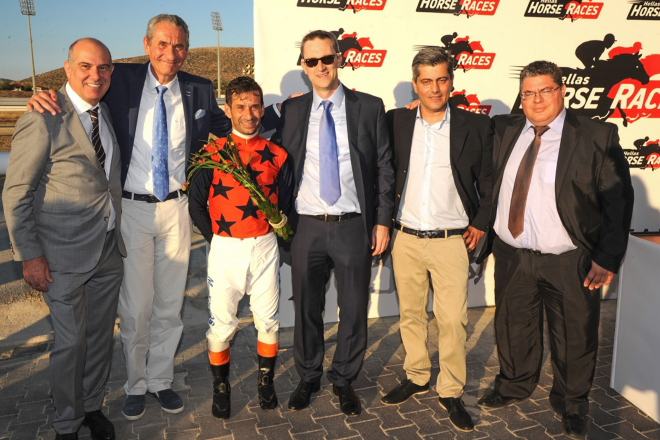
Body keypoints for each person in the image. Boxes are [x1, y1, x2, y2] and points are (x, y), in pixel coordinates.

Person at [26, 14, 286, 420]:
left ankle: (161, 379)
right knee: (135, 308)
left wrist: (292, 108)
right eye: (162, 44)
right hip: (131, 211)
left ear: (187, 49)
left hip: (176, 209)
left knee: (168, 306)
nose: (171, 53)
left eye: (179, 45)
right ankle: (135, 383)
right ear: (147, 45)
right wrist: (47, 95)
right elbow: (83, 85)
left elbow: (238, 123)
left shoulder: (199, 89)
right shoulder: (120, 80)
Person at [477, 60, 633, 439]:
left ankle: (573, 402)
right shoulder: (503, 128)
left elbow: (618, 202)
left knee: (574, 335)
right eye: (528, 93)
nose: (537, 100)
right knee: (513, 326)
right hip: (513, 254)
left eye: (545, 90)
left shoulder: (596, 135)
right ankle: (514, 383)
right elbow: (458, 131)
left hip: (569, 259)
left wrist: (607, 257)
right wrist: (418, 109)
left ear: (562, 90)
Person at [3, 38, 125, 440]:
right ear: (67, 68)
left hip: (107, 249)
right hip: (61, 257)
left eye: (103, 67)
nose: (95, 75)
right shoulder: (44, 116)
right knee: (71, 345)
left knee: (99, 339)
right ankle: (67, 424)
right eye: (85, 66)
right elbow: (16, 192)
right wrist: (30, 255)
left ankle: (91, 407)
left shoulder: (103, 111)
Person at [270, 30, 395, 416]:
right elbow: (275, 159)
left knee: (354, 309)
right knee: (306, 307)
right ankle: (308, 375)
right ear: (303, 66)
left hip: (353, 225)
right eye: (312, 61)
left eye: (327, 58)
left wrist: (383, 221)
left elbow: (385, 166)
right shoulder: (292, 110)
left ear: (339, 59)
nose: (321, 66)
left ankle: (344, 379)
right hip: (306, 226)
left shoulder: (369, 106)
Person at [380, 47, 492, 432]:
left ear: (451, 82)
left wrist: (481, 221)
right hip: (406, 237)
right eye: (426, 81)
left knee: (453, 320)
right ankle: (417, 375)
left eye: (441, 79)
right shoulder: (395, 121)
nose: (434, 88)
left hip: (452, 240)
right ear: (415, 84)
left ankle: (451, 389)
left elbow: (490, 179)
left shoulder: (475, 126)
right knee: (411, 314)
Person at [188, 76, 293, 419]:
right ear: (228, 110)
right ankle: (221, 386)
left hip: (264, 248)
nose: (249, 114)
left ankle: (265, 382)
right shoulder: (212, 153)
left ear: (263, 109)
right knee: (222, 324)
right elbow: (196, 205)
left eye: (255, 106)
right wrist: (219, 239)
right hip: (225, 250)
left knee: (268, 320)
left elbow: (286, 204)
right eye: (241, 106)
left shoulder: (278, 154)